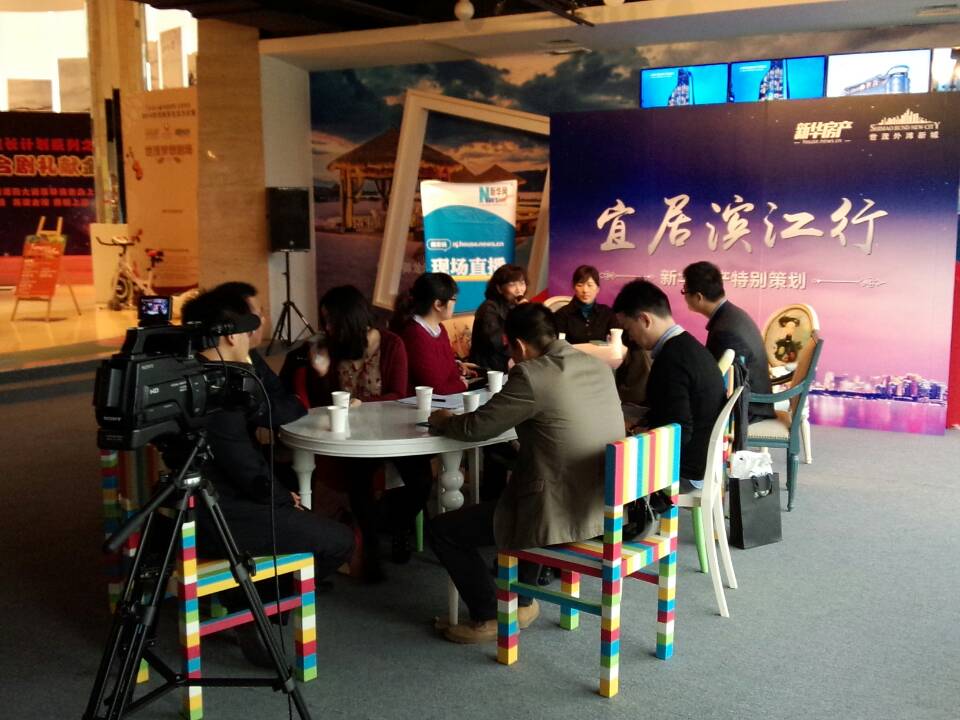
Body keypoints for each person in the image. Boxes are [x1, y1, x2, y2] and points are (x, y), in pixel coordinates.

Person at [427, 303, 625, 644]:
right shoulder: (597, 366)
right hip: (603, 506)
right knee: (522, 485)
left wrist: (443, 420)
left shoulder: (532, 375)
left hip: (558, 511)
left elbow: (476, 428)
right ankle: (522, 602)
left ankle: (489, 614)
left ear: (518, 345)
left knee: (443, 530)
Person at [180, 286, 354, 664]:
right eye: (250, 326)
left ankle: (245, 602)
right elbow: (244, 466)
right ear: (231, 336)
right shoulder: (221, 392)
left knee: (302, 515)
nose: (255, 334)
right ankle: (252, 610)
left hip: (202, 502)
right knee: (339, 541)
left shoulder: (191, 375)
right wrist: (281, 498)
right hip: (224, 514)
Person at [284, 285, 432, 581]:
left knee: (421, 480)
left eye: (332, 320)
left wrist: (363, 402)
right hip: (351, 436)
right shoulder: (329, 346)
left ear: (351, 319)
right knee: (359, 480)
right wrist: (322, 374)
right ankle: (370, 552)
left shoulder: (391, 344)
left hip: (391, 430)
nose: (327, 327)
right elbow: (319, 404)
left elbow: (398, 395)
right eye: (325, 321)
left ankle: (395, 525)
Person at [612, 279, 725, 492]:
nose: (630, 338)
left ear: (644, 319)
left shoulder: (671, 360)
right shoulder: (689, 346)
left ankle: (629, 514)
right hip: (703, 458)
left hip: (685, 471)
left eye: (629, 329)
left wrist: (635, 433)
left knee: (603, 464)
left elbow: (678, 432)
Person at [681, 261, 774, 421]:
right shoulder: (731, 316)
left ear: (698, 297)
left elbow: (719, 382)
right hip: (753, 402)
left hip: (749, 410)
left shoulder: (724, 331)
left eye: (685, 291)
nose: (684, 296)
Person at [392, 272, 478, 395]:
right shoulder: (415, 335)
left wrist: (458, 368)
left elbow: (445, 371)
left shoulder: (439, 328)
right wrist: (462, 384)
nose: (455, 303)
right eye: (453, 299)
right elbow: (436, 389)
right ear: (438, 304)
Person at [469, 263, 527, 373]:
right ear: (499, 288)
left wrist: (525, 313)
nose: (519, 290)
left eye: (522, 283)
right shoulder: (488, 308)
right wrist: (517, 355)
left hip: (509, 359)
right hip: (489, 364)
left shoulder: (515, 306)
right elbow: (496, 341)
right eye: (512, 285)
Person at [553, 264, 618, 344]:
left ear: (598, 289)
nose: (585, 290)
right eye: (580, 285)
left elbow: (617, 341)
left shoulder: (607, 313)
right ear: (574, 287)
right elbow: (558, 346)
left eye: (590, 285)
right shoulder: (562, 315)